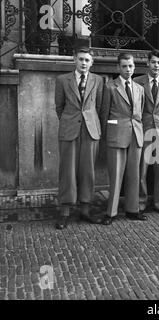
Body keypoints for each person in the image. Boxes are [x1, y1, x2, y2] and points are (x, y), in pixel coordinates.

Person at [54, 46, 104, 230]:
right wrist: (70, 121)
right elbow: (59, 106)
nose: (84, 63)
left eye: (87, 60)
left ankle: (85, 210)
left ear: (92, 62)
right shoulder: (62, 80)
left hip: (91, 130)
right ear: (74, 59)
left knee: (88, 170)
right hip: (69, 130)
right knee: (67, 171)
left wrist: (91, 123)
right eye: (81, 59)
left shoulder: (98, 80)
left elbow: (99, 107)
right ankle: (65, 212)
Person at [100, 53, 146, 225]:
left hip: (136, 134)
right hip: (117, 135)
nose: (128, 69)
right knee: (116, 174)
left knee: (134, 174)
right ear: (118, 68)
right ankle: (111, 212)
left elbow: (138, 113)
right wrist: (109, 132)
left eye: (131, 66)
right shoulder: (110, 87)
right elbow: (105, 113)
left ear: (134, 67)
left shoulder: (139, 89)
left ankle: (133, 210)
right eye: (125, 66)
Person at [134, 50, 159, 215]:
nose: (156, 65)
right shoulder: (138, 81)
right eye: (153, 62)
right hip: (144, 129)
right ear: (147, 63)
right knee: (142, 170)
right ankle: (140, 202)